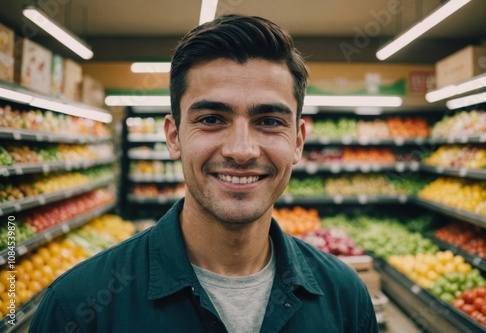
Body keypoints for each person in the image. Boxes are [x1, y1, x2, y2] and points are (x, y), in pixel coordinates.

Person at [29, 14, 378, 332]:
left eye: (269, 122)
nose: (241, 150)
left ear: (298, 141)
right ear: (173, 137)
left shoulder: (346, 298)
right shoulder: (75, 307)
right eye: (211, 119)